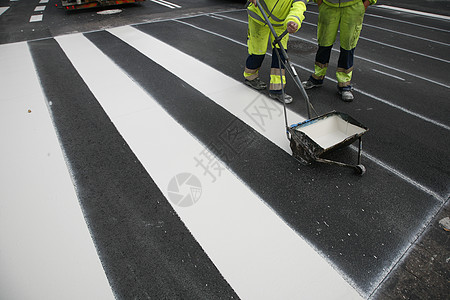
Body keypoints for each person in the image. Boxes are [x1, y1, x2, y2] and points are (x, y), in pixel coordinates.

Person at [302, 0, 377, 102]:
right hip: (328, 6)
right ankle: (317, 77)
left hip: (353, 7)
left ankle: (344, 84)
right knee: (324, 44)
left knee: (348, 46)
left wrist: (365, 4)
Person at [244, 0, 309, 104]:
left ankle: (277, 90)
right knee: (258, 52)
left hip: (281, 24)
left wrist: (294, 21)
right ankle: (250, 77)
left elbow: (299, 5)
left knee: (280, 55)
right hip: (258, 17)